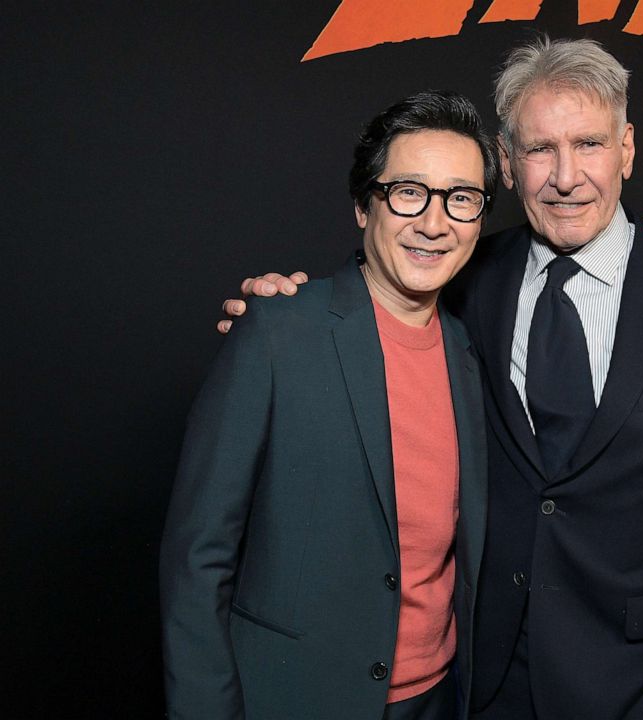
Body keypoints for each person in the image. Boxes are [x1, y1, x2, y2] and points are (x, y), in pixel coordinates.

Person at [223, 38, 643, 719]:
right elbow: (385, 286)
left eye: (589, 144)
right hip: (488, 679)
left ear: (627, 149)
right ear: (508, 165)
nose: (566, 176)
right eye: (540, 149)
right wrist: (293, 310)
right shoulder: (468, 276)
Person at [160, 90, 498, 720]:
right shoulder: (279, 331)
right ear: (362, 207)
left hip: (439, 697)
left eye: (461, 198)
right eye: (408, 192)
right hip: (295, 697)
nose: (434, 222)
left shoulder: (471, 354)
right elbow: (197, 557)